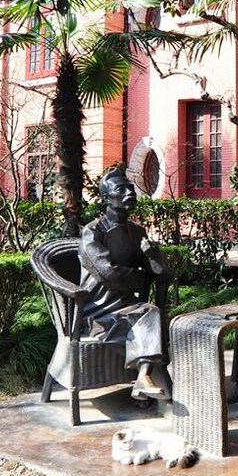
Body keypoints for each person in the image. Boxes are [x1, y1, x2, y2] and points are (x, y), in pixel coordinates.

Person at [78, 166, 170, 401]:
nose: (130, 193)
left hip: (128, 304)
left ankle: (144, 377)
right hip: (98, 308)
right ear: (107, 198)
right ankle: (148, 379)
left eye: (130, 188)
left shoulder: (136, 231)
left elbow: (159, 272)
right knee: (150, 317)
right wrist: (139, 278)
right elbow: (108, 274)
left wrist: (151, 256)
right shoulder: (93, 232)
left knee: (152, 313)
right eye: (121, 189)